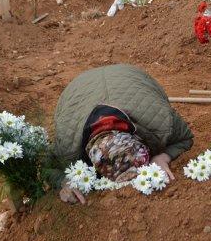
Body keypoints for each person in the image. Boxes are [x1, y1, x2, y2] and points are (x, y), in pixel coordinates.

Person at [53, 64, 194, 203]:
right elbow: (48, 166)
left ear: (139, 138)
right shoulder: (67, 144)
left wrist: (163, 156)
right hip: (79, 87)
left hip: (131, 76)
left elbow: (185, 137)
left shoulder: (160, 119)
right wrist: (64, 181)